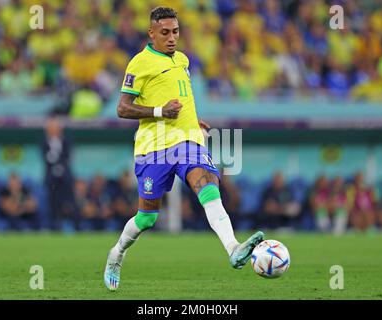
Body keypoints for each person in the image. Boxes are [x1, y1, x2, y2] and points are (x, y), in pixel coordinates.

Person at [104, 7, 264, 291]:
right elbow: (122, 108)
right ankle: (116, 254)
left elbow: (181, 98)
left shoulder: (183, 60)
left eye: (175, 31)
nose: (171, 38)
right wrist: (159, 111)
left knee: (207, 182)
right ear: (151, 33)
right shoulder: (139, 63)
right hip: (153, 147)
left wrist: (193, 120)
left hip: (188, 141)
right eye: (164, 32)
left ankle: (233, 248)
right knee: (147, 217)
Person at [40, 117, 77, 231]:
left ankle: (76, 228)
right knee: (52, 205)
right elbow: (46, 159)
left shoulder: (67, 141)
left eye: (56, 128)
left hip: (65, 179)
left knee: (70, 204)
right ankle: (53, 228)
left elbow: (68, 157)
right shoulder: (43, 142)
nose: (54, 131)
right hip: (51, 179)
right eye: (51, 128)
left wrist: (59, 165)